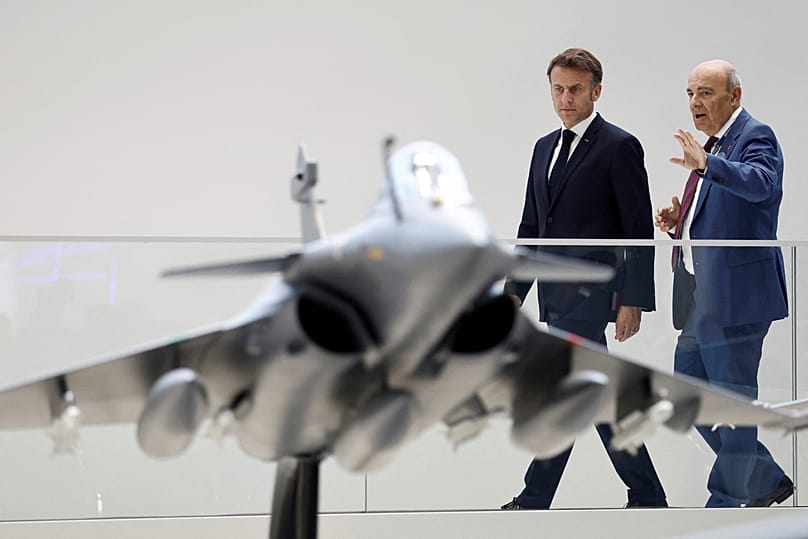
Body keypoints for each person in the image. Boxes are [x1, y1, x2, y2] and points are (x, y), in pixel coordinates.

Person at [501, 48, 666, 510]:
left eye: (575, 89)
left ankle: (535, 498)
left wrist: (632, 299)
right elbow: (532, 224)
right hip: (553, 296)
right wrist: (515, 291)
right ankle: (649, 495)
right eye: (558, 89)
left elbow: (637, 230)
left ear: (596, 90)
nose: (566, 98)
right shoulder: (543, 148)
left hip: (593, 296)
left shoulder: (619, 146)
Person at [655, 59, 792, 508]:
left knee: (732, 405)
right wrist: (681, 224)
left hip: (737, 299)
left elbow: (761, 185)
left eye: (706, 93)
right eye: (691, 93)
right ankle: (765, 477)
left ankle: (724, 505)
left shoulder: (755, 136)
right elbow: (721, 217)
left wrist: (708, 164)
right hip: (700, 298)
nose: (696, 102)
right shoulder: (714, 146)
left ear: (734, 96)